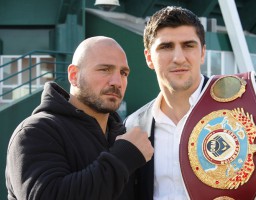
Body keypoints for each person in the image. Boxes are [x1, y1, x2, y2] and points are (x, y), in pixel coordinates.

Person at [125, 6, 256, 199]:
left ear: (202, 53)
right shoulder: (134, 125)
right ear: (149, 58)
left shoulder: (249, 101)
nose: (178, 58)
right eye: (166, 47)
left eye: (188, 45)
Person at [5, 36, 154, 200]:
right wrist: (124, 156)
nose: (117, 81)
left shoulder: (123, 135)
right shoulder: (35, 131)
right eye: (105, 69)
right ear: (74, 75)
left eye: (123, 73)